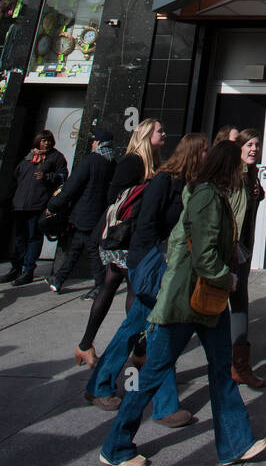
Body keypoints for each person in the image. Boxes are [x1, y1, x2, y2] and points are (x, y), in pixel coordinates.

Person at [98, 139, 266, 466]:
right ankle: (115, 446)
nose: (244, 173)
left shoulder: (215, 196)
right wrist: (227, 277)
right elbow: (203, 258)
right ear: (227, 167)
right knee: (152, 375)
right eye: (241, 168)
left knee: (221, 371)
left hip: (207, 302)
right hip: (182, 302)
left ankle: (236, 443)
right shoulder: (206, 198)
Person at [84, 133, 210, 420]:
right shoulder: (164, 182)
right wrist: (146, 266)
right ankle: (163, 406)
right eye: (204, 151)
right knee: (155, 332)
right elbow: (145, 226)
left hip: (170, 270)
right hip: (153, 268)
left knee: (139, 330)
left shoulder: (191, 185)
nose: (208, 156)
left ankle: (101, 385)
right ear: (192, 154)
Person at [74, 119, 164, 369]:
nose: (164, 134)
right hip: (124, 236)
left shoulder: (152, 162)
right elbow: (115, 197)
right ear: (146, 135)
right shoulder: (133, 161)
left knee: (112, 285)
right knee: (133, 289)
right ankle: (137, 350)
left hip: (133, 236)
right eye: (159, 131)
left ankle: (86, 345)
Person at [44, 129, 115, 293]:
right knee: (77, 247)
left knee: (89, 248)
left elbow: (71, 187)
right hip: (100, 213)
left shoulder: (90, 161)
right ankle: (59, 278)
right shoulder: (112, 162)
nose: (92, 144)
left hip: (85, 212)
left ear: (97, 143)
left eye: (93, 141)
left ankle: (100, 284)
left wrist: (53, 205)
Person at [227, 127, 266, 386]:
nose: (254, 149)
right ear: (239, 148)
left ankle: (238, 365)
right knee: (231, 302)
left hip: (243, 249)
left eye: (256, 144)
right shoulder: (232, 176)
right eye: (249, 145)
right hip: (230, 251)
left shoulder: (251, 176)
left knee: (239, 300)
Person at [5, 131, 68, 286]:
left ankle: (28, 269)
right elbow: (16, 178)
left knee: (34, 237)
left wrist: (48, 177)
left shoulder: (56, 157)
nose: (45, 143)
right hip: (20, 204)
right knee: (20, 237)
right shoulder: (28, 157)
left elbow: (63, 177)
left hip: (38, 203)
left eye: (48, 141)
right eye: (43, 141)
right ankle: (16, 267)